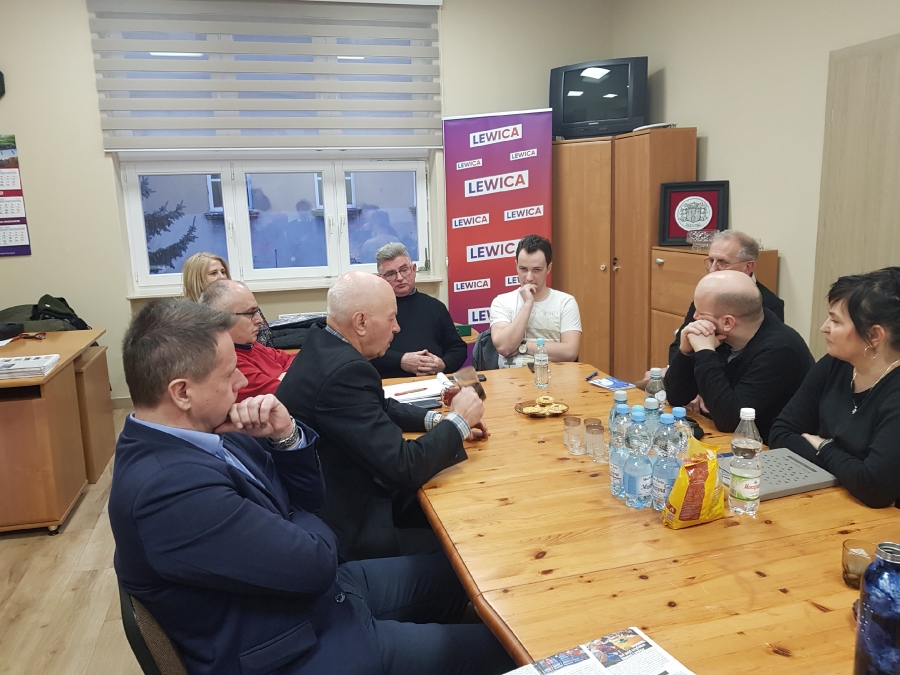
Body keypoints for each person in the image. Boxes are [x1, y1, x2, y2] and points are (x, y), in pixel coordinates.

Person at [109, 299, 514, 675]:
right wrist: (298, 516)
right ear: (182, 392)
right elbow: (317, 562)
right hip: (299, 646)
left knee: (478, 573)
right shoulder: (167, 492)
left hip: (324, 597)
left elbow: (310, 498)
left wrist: (285, 436)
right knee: (510, 651)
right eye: (229, 373)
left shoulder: (210, 430)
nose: (241, 381)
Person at [276, 272, 488, 560]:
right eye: (391, 318)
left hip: (344, 493)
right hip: (351, 526)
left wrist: (437, 421)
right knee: (466, 546)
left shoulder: (322, 343)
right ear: (361, 322)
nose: (397, 328)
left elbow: (378, 405)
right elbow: (405, 466)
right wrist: (458, 421)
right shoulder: (343, 372)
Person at [770, 267, 900, 508]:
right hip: (831, 498)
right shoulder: (836, 363)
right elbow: (780, 432)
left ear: (874, 335)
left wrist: (824, 446)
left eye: (836, 321)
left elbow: (875, 488)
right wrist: (849, 470)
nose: (824, 327)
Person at [664, 270, 813, 443]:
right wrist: (685, 351)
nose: (694, 318)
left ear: (728, 322)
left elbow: (730, 419)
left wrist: (705, 352)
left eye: (700, 313)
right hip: (725, 438)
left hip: (764, 448)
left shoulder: (780, 351)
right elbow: (676, 397)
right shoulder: (720, 335)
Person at [668, 230, 784, 364]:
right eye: (711, 261)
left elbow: (761, 358)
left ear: (748, 267)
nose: (712, 269)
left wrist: (705, 349)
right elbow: (678, 347)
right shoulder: (708, 293)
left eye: (722, 262)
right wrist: (683, 355)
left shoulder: (770, 304)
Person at [369, 242, 467, 379]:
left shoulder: (435, 307)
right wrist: (401, 361)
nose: (399, 278)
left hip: (433, 381)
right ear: (381, 278)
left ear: (414, 269)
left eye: (404, 270)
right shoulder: (371, 310)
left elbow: (458, 348)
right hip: (389, 383)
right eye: (391, 274)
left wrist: (443, 364)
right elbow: (363, 354)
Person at [489, 234, 581, 368]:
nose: (529, 277)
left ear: (548, 268)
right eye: (523, 269)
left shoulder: (566, 302)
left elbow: (570, 352)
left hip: (554, 377)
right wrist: (528, 304)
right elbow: (504, 347)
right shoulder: (501, 301)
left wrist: (523, 346)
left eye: (537, 270)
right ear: (516, 266)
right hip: (510, 378)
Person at [200, 279, 294, 401]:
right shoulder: (229, 363)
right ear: (220, 319)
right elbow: (288, 393)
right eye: (250, 313)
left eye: (256, 311)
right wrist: (288, 375)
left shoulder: (249, 345)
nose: (259, 320)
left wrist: (282, 376)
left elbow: (295, 358)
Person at [182, 251, 275, 346]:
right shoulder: (188, 318)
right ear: (196, 279)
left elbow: (266, 337)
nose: (222, 277)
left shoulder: (240, 301)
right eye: (213, 273)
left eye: (223, 272)